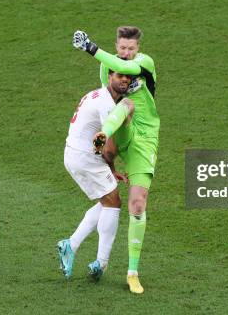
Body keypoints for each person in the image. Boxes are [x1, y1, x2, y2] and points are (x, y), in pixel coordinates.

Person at [73, 27, 159, 294]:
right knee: (108, 194)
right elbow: (107, 100)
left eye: (131, 49)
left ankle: (132, 272)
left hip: (143, 137)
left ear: (138, 49)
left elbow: (124, 67)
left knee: (137, 203)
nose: (126, 53)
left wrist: (92, 49)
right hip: (117, 128)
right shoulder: (107, 69)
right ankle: (103, 136)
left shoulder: (144, 63)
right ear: (117, 45)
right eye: (122, 48)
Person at [57, 70, 135, 281]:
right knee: (114, 202)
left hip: (74, 153)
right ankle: (101, 263)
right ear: (109, 76)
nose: (125, 80)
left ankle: (70, 246)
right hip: (85, 158)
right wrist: (111, 165)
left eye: (128, 77)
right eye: (120, 76)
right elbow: (107, 149)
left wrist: (111, 171)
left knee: (107, 200)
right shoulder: (108, 106)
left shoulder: (95, 94)